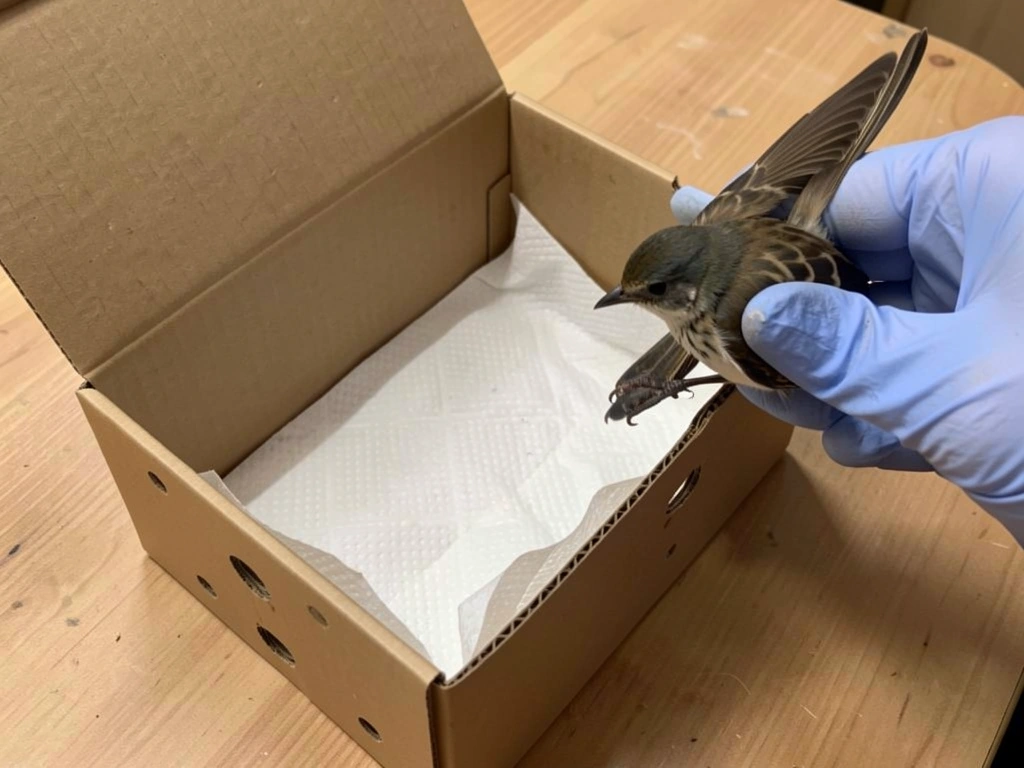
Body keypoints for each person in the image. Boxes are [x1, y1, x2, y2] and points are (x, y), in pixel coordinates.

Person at [670, 116, 1024, 544]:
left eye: (656, 291)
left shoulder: (739, 321)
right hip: (804, 231)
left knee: (760, 363)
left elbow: (772, 375)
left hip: (819, 278)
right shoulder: (721, 218)